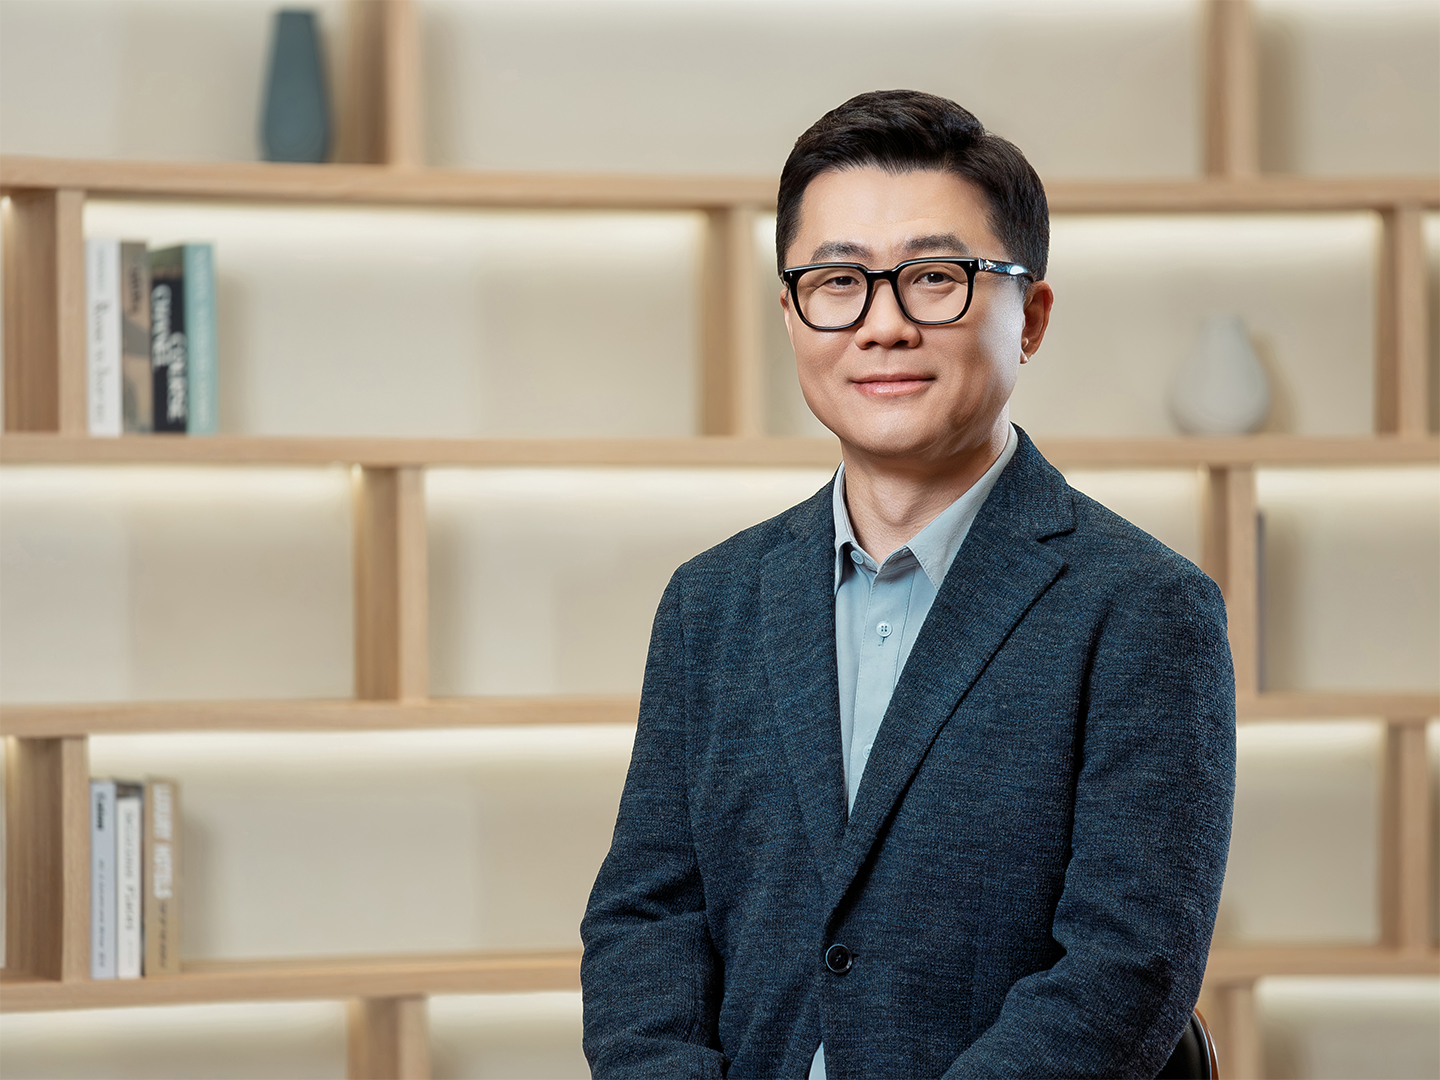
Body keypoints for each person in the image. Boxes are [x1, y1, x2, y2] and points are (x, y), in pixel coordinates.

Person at [580, 89, 1235, 1079]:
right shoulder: (708, 605)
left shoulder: (1142, 607)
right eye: (837, 282)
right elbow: (645, 918)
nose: (881, 326)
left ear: (1031, 316)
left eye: (936, 277)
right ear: (794, 313)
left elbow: (1125, 969)